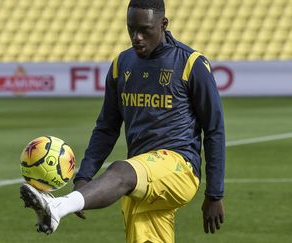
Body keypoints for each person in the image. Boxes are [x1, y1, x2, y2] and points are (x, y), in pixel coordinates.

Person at [20, 0, 225, 242]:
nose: (137, 37)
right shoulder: (121, 64)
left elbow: (214, 129)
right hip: (139, 179)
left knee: (120, 169)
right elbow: (107, 127)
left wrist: (214, 194)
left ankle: (57, 208)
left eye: (144, 30)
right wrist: (84, 178)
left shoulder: (191, 64)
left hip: (178, 168)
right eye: (131, 29)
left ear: (163, 24)